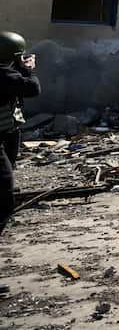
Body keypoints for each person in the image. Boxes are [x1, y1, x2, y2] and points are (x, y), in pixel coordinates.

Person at [0, 31, 40, 240]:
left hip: (8, 130)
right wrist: (29, 70)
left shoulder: (6, 72)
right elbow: (32, 88)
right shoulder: (5, 75)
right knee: (5, 187)